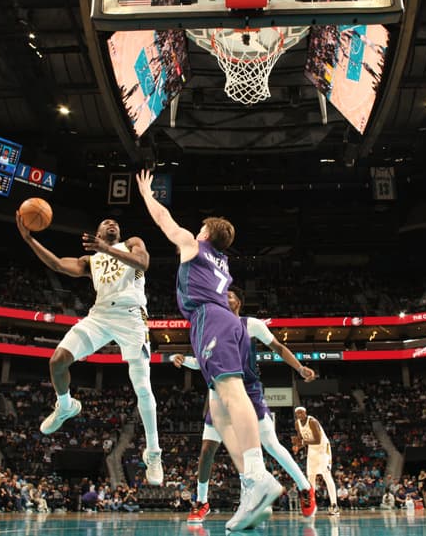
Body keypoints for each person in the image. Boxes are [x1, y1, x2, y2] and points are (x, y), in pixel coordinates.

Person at [136, 169, 282, 532]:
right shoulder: (221, 260)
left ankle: (257, 474)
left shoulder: (194, 244)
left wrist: (146, 195)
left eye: (200, 228)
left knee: (230, 394)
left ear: (205, 233)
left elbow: (165, 222)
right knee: (219, 407)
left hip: (210, 319)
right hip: (225, 322)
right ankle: (253, 489)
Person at [16, 214, 163, 485]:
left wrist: (105, 248)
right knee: (57, 361)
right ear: (97, 230)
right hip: (100, 316)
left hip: (132, 316)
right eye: (105, 222)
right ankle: (65, 406)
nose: (112, 224)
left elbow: (143, 263)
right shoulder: (91, 261)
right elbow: (58, 264)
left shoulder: (131, 243)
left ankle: (153, 453)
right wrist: (29, 239)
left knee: (142, 386)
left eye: (115, 223)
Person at [171, 286, 318, 523]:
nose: (224, 299)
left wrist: (299, 368)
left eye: (229, 296)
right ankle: (201, 501)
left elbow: (278, 347)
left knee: (270, 443)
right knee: (207, 450)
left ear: (238, 302)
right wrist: (184, 360)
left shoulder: (252, 325)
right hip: (219, 394)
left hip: (248, 391)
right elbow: (204, 363)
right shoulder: (212, 331)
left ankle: (304, 488)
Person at [293, 406, 339, 515]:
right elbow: (300, 438)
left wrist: (302, 443)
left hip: (323, 449)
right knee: (310, 477)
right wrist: (296, 446)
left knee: (326, 475)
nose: (300, 415)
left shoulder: (312, 421)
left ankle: (334, 505)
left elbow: (318, 440)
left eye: (301, 413)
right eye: (297, 413)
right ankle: (312, 506)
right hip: (312, 450)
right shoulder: (297, 424)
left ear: (305, 413)